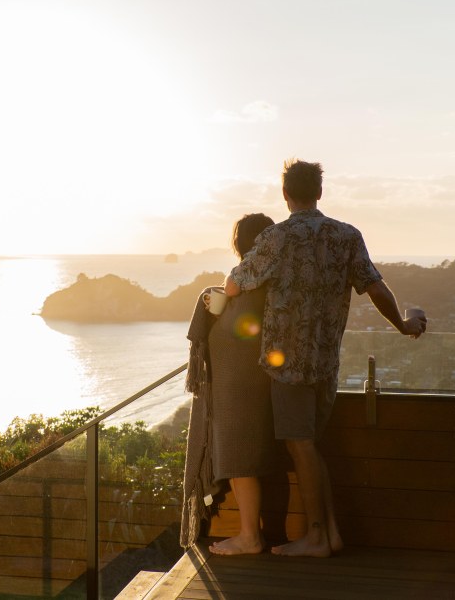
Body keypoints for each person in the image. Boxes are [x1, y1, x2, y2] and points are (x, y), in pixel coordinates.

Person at [225, 159, 427, 558]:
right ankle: (329, 533)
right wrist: (403, 325)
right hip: (325, 362)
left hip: (287, 366)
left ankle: (316, 537)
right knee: (310, 446)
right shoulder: (346, 236)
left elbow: (233, 286)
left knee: (301, 448)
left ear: (286, 195)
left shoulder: (275, 238)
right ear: (319, 192)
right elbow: (376, 288)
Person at [180, 213, 283, 552]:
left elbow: (232, 296)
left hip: (239, 384)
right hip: (248, 380)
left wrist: (217, 299)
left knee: (241, 460)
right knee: (245, 458)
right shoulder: (273, 279)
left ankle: (250, 536)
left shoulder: (243, 277)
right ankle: (251, 533)